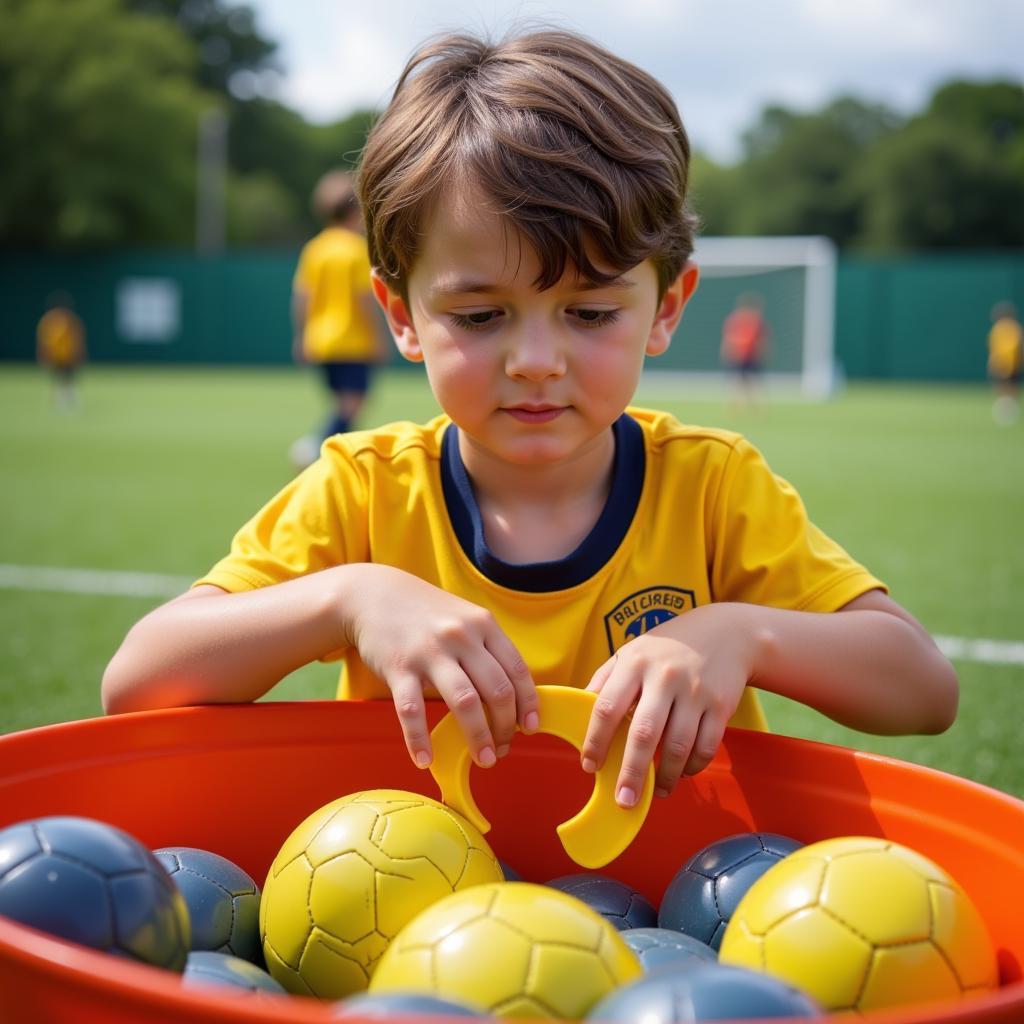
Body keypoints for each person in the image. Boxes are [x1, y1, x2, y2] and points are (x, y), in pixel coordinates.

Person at [102, 29, 957, 812]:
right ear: (400, 314)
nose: (536, 361)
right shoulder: (362, 493)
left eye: (589, 313)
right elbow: (136, 681)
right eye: (480, 317)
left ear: (668, 307)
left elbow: (923, 689)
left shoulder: (711, 486)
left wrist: (744, 634)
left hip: (672, 908)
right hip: (412, 921)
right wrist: (345, 601)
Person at [290, 169, 390, 468]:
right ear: (354, 211)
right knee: (353, 403)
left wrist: (301, 336)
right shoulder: (355, 250)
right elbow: (364, 299)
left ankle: (333, 456)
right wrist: (379, 337)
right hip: (352, 341)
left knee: (345, 403)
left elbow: (302, 297)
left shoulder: (315, 249)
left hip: (321, 341)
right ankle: (316, 451)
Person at [36, 292, 86, 411]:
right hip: (56, 356)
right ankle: (62, 402)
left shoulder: (71, 321)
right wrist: (44, 355)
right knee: (60, 380)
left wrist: (79, 353)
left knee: (69, 379)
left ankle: (69, 402)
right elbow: (44, 341)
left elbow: (78, 339)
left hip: (69, 356)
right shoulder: (49, 321)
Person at [720, 292, 769, 407]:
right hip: (739, 356)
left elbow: (761, 341)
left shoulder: (756, 322)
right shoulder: (737, 320)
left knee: (750, 383)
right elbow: (729, 339)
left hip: (750, 356)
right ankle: (738, 406)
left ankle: (754, 406)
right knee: (739, 382)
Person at [987, 301, 1022, 425]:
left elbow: (1009, 348)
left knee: (1006, 387)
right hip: (1008, 363)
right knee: (1009, 387)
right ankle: (1008, 409)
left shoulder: (1003, 329)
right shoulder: (1013, 328)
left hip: (1004, 363)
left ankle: (1007, 409)